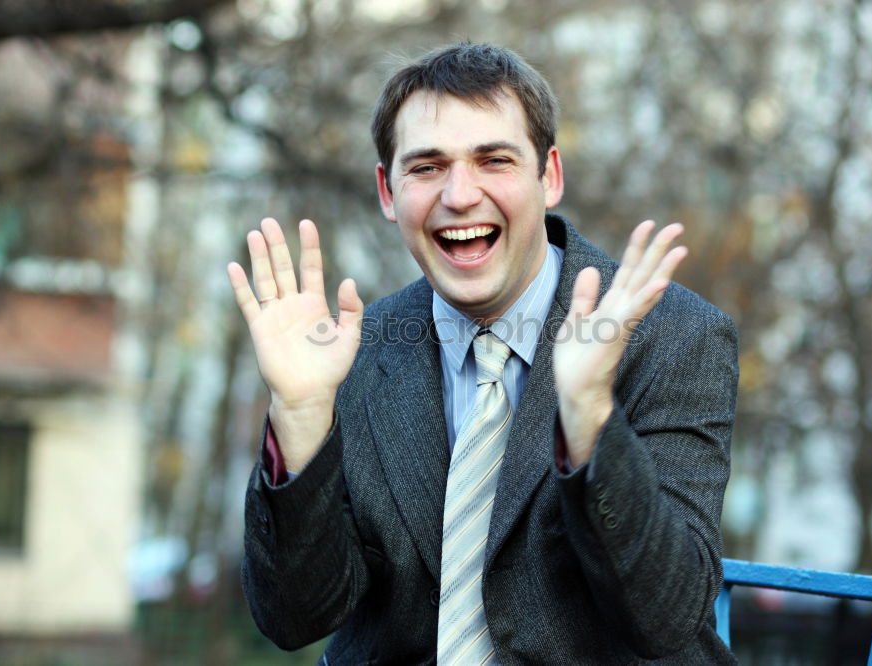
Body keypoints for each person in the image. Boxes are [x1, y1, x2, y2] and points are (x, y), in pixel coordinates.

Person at [227, 42, 738, 664]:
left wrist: (588, 420)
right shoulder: (350, 351)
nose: (460, 194)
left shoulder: (676, 336)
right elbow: (294, 618)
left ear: (547, 176)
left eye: (493, 159)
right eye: (427, 166)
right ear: (389, 192)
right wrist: (302, 414)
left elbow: (665, 617)